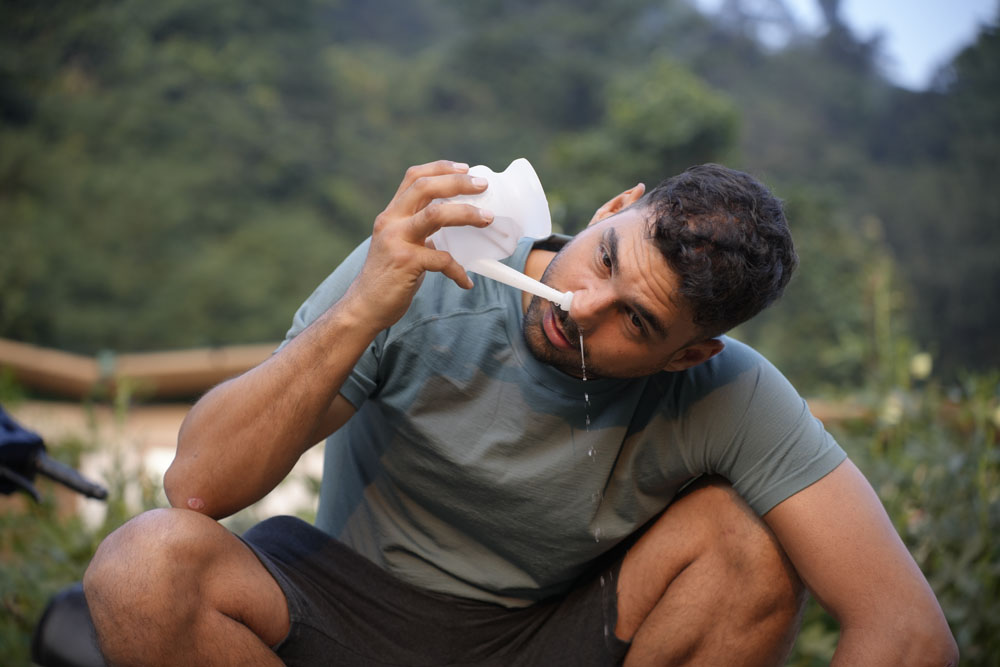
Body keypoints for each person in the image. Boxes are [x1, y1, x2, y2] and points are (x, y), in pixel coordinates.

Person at [83, 160, 958, 666]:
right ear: (613, 209)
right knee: (142, 567)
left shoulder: (728, 391)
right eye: (605, 258)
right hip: (349, 604)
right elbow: (196, 484)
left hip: (541, 635)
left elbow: (909, 630)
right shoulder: (429, 269)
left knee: (752, 543)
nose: (582, 306)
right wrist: (361, 312)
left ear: (687, 354)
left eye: (636, 321)